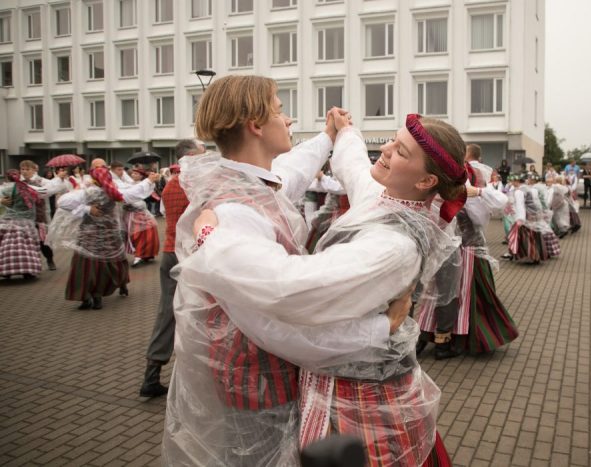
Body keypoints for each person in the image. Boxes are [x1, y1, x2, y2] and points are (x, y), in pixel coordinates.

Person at [163, 75, 453, 465]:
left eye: (399, 149)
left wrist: (209, 237)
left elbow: (293, 289)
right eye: (281, 111)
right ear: (255, 125)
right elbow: (328, 173)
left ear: (425, 180)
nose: (289, 119)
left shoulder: (394, 241)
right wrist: (340, 134)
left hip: (348, 390)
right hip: (269, 382)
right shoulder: (386, 201)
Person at [417, 143, 516, 358]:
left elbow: (490, 209)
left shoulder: (470, 178)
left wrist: (477, 192)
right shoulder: (438, 178)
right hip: (443, 246)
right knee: (437, 292)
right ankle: (430, 336)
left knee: (463, 294)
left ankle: (452, 339)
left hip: (468, 247)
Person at [138, 139, 205, 398]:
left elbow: (168, 215)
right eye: (202, 152)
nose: (206, 155)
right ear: (190, 155)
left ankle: (151, 374)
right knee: (201, 315)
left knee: (167, 312)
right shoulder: (196, 183)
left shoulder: (170, 185)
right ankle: (197, 379)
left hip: (169, 252)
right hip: (189, 255)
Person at [48, 164, 140, 309]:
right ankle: (110, 289)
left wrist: (86, 208)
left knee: (86, 265)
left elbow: (62, 202)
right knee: (113, 261)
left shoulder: (88, 192)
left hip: (89, 234)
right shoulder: (113, 191)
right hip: (110, 233)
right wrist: (149, 182)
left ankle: (86, 296)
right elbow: (134, 194)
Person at [0, 170, 46, 279]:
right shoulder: (27, 188)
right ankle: (28, 271)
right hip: (26, 222)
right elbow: (39, 197)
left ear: (7, 178)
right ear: (19, 176)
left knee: (6, 246)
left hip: (8, 221)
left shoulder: (3, 189)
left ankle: (7, 271)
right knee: (28, 246)